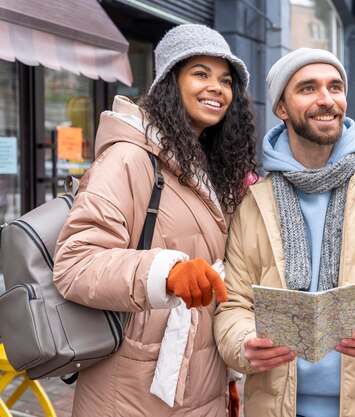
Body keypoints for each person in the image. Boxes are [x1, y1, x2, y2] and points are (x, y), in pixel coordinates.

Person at [213, 48, 355, 417]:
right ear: (282, 108)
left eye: (335, 87)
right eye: (308, 88)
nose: (326, 99)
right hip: (276, 407)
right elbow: (233, 303)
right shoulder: (253, 202)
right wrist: (244, 344)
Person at [53, 24, 257, 416]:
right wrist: (166, 271)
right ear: (169, 81)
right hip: (131, 387)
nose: (216, 87)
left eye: (226, 80)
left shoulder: (206, 164)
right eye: (200, 73)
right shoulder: (129, 157)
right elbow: (75, 262)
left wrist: (226, 377)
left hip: (200, 380)